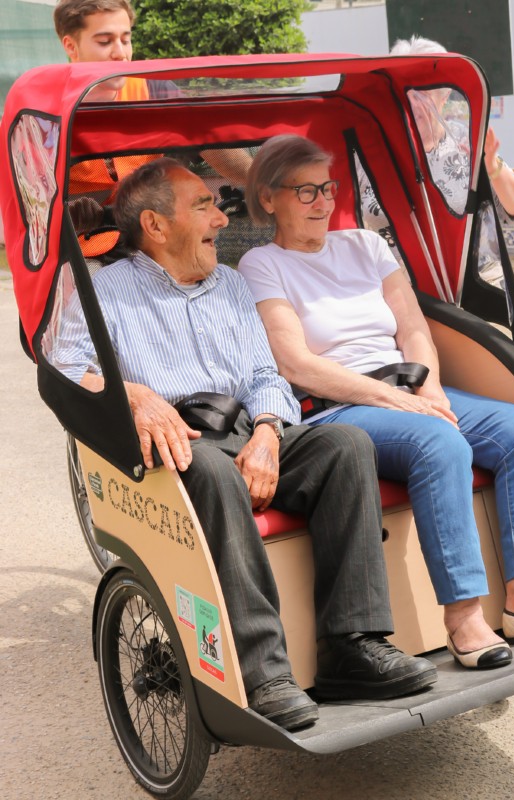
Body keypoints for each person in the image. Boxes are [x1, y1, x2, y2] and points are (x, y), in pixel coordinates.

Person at [50, 157, 438, 731]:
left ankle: (352, 646)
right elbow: (63, 368)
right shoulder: (102, 290)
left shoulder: (229, 283)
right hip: (173, 442)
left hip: (242, 430)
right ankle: (263, 673)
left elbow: (264, 375)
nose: (223, 220)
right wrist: (132, 394)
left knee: (346, 447)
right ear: (156, 225)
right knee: (210, 468)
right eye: (204, 206)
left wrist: (266, 434)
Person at [238, 134, 514, 670]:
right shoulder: (261, 264)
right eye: (305, 191)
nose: (322, 202)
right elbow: (296, 364)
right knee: (441, 445)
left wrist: (427, 386)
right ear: (268, 199)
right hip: (340, 404)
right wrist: (394, 400)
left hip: (409, 389)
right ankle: (464, 617)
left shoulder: (365, 244)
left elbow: (413, 326)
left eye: (328, 188)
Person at [53, 0, 252, 260]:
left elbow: (210, 140)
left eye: (125, 40)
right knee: (93, 294)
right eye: (105, 42)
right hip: (80, 248)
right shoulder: (46, 108)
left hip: (153, 237)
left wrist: (262, 180)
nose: (120, 53)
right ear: (71, 46)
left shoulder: (153, 92)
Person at [358, 35, 514, 288]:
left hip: (476, 286)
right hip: (400, 291)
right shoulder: (372, 150)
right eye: (406, 91)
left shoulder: (466, 142)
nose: (414, 101)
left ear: (444, 97)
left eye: (424, 91)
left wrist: (492, 167)